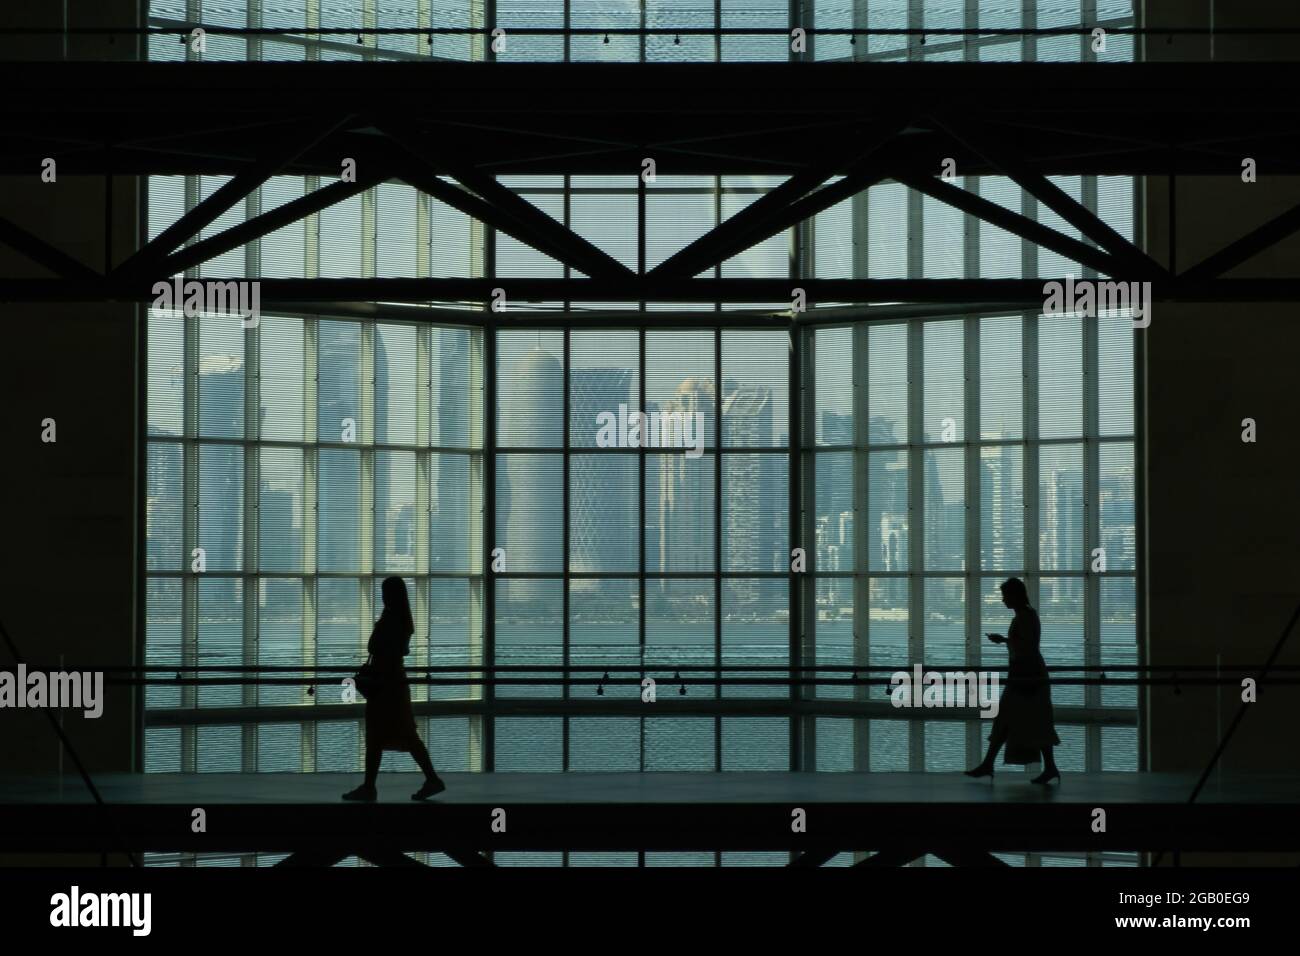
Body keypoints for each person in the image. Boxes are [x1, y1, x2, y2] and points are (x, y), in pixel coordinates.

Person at [342, 577, 446, 802]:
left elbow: (376, 647)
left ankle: (370, 788)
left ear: (390, 595)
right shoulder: (404, 619)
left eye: (384, 592)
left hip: (384, 685)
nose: (382, 596)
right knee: (405, 734)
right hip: (394, 683)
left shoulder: (390, 618)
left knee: (378, 736)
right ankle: (429, 779)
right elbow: (401, 650)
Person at [965, 577, 1061, 785]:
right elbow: (1026, 645)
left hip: (1026, 677)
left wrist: (1004, 640)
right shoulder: (1027, 615)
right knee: (1033, 722)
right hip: (1028, 675)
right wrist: (1006, 641)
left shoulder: (1024, 617)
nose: (1003, 600)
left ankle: (988, 764)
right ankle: (1048, 767)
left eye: (1005, 595)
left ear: (1016, 595)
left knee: (1012, 720)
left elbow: (1025, 647)